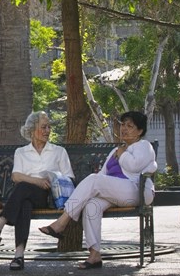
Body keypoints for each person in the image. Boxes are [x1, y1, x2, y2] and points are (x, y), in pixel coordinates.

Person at [39, 111, 157, 270]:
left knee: (94, 179)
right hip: (115, 192)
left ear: (140, 131)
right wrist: (119, 152)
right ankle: (94, 255)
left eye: (130, 126)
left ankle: (62, 222)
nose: (124, 129)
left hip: (137, 191)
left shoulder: (144, 146)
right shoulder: (115, 150)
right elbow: (103, 176)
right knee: (91, 205)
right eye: (123, 125)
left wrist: (122, 154)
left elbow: (134, 166)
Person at [0, 111, 74, 271]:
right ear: (31, 129)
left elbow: (69, 178)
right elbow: (15, 176)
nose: (48, 130)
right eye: (43, 127)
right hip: (26, 195)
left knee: (23, 188)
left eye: (49, 127)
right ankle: (19, 255)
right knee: (25, 203)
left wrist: (52, 179)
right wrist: (37, 181)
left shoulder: (58, 151)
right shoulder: (21, 152)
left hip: (48, 196)